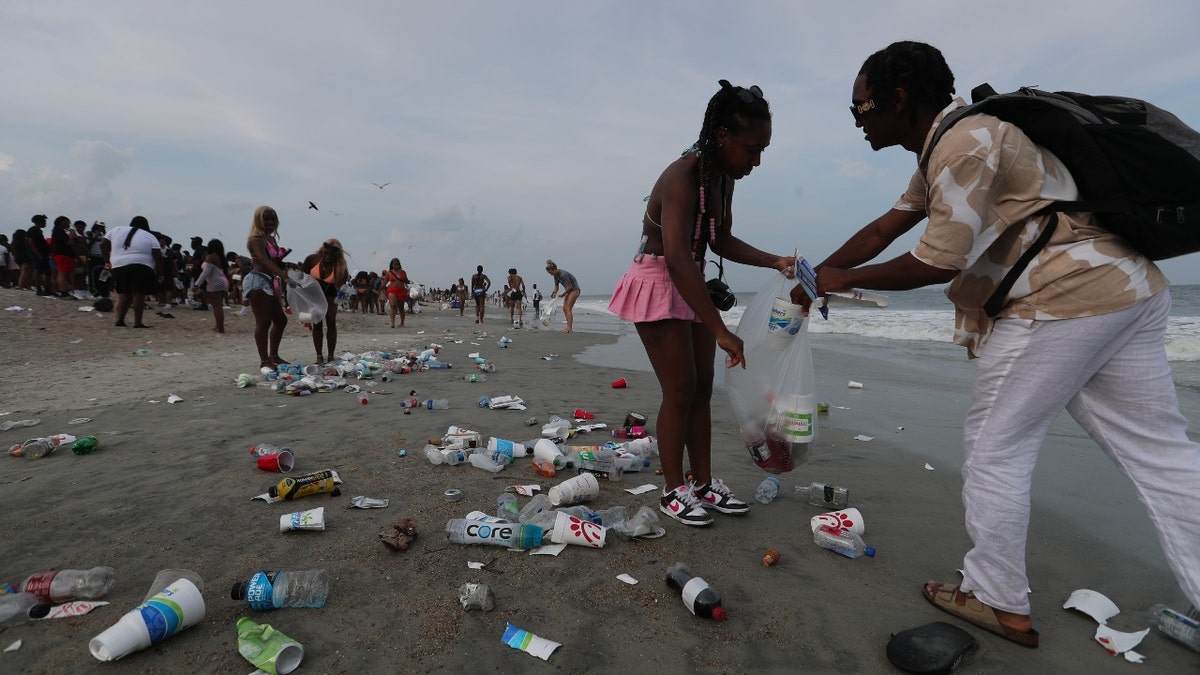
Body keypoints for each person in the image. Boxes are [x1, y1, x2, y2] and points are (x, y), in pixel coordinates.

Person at [794, 41, 1200, 648]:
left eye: (862, 109)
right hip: (1127, 288)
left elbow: (936, 261)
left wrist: (842, 280)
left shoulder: (965, 141)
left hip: (1062, 302)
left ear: (898, 99)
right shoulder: (954, 142)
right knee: (1161, 454)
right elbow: (886, 226)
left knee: (995, 447)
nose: (858, 122)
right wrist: (812, 277)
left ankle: (996, 596)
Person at [607, 80, 796, 527]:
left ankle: (704, 482)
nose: (757, 160)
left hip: (688, 277)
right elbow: (674, 256)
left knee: (702, 386)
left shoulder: (723, 178)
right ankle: (673, 490)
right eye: (752, 149)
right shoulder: (683, 176)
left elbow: (720, 239)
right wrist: (719, 329)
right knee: (680, 388)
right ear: (723, 137)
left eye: (763, 149)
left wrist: (774, 261)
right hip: (657, 278)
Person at [245, 205, 294, 368]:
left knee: (280, 320)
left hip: (269, 281)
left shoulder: (270, 239)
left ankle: (274, 356)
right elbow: (264, 260)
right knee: (263, 321)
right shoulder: (255, 239)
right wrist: (284, 276)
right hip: (258, 281)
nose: (270, 222)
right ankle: (264, 361)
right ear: (258, 220)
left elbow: (272, 261)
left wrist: (286, 265)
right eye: (266, 218)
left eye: (273, 218)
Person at [102, 215, 163, 328]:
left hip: (119, 265)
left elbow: (103, 244)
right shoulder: (150, 236)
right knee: (138, 294)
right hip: (142, 266)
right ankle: (137, 322)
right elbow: (158, 257)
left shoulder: (116, 230)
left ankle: (120, 320)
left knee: (125, 294)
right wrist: (159, 274)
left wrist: (107, 260)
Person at [303, 239, 350, 363]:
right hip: (313, 295)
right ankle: (319, 356)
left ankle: (330, 356)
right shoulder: (312, 260)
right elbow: (303, 278)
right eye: (326, 253)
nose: (328, 257)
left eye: (332, 255)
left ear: (337, 255)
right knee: (317, 324)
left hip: (330, 295)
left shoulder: (341, 268)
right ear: (322, 250)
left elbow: (343, 288)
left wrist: (341, 303)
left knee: (331, 322)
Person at [192, 238, 230, 334]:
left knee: (216, 306)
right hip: (222, 281)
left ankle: (220, 328)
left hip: (215, 282)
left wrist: (196, 284)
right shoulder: (221, 257)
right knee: (218, 306)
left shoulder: (211, 257)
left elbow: (205, 272)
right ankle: (218, 325)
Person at [545, 259, 583, 332]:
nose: (550, 274)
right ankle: (568, 327)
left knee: (568, 308)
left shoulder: (563, 274)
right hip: (569, 291)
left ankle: (569, 328)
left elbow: (570, 287)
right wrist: (554, 292)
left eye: (551, 272)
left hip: (575, 290)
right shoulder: (555, 275)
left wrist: (563, 294)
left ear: (555, 269)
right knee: (564, 308)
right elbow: (556, 286)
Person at [383, 258, 410, 328]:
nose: (396, 266)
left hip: (401, 290)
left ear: (399, 265)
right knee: (393, 305)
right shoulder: (389, 273)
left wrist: (404, 279)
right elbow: (384, 282)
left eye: (397, 264)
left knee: (401, 307)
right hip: (392, 290)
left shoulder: (403, 272)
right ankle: (392, 323)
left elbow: (407, 281)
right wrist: (379, 290)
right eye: (394, 264)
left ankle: (402, 322)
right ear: (392, 265)